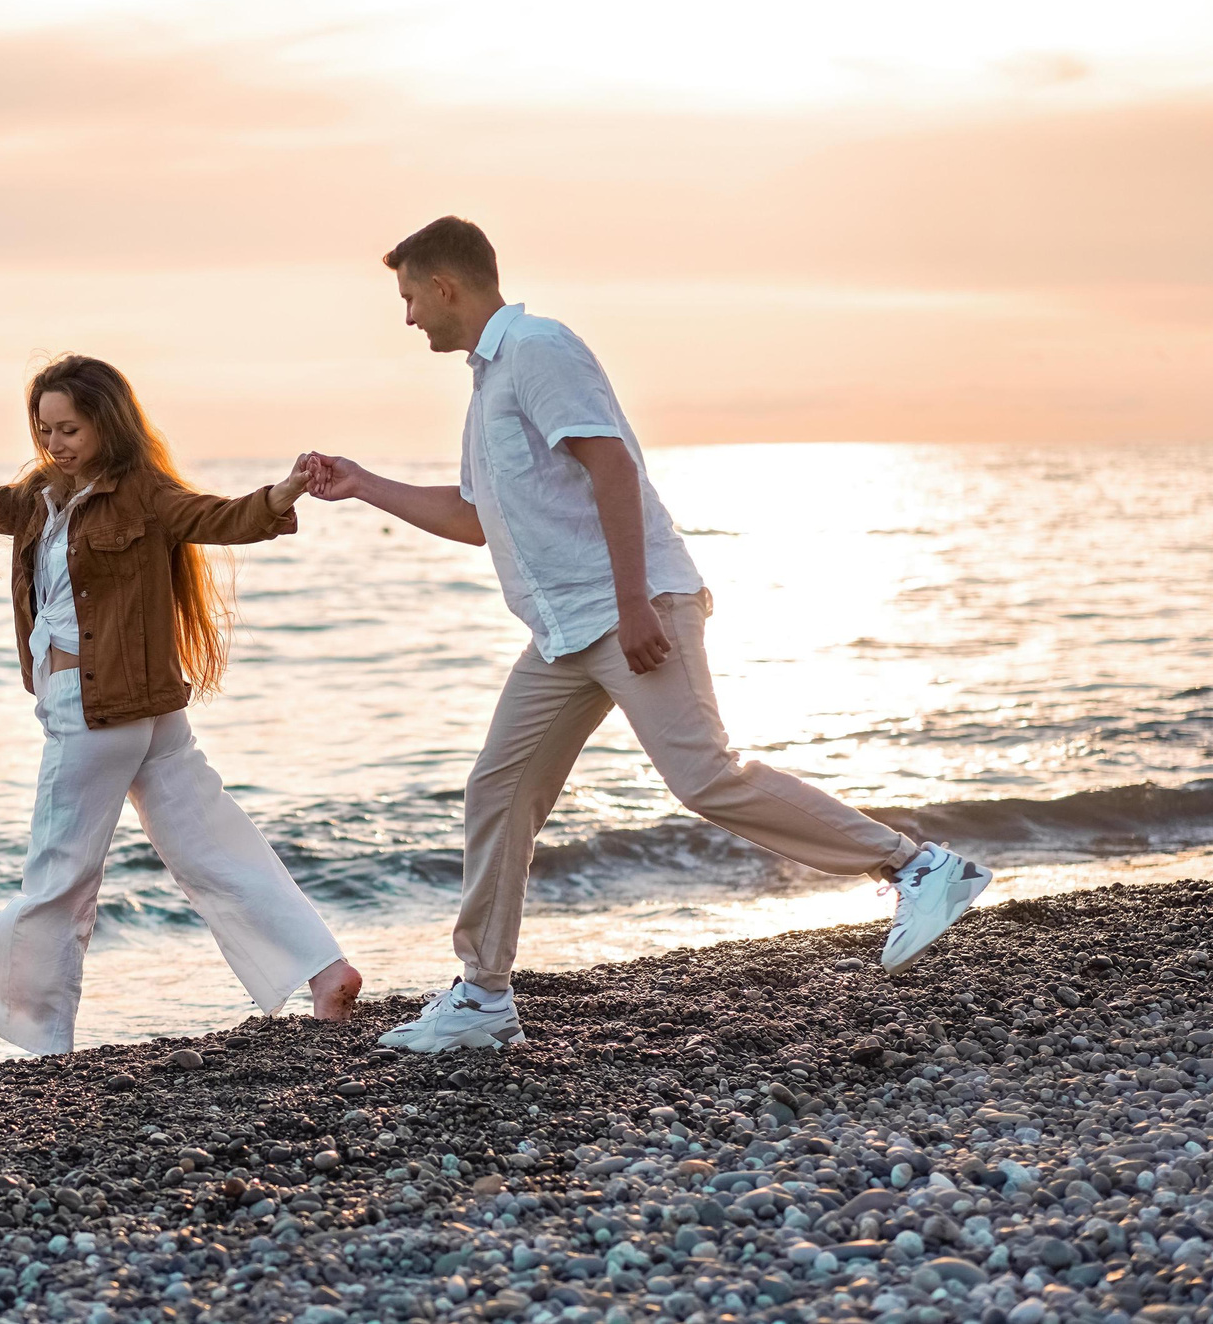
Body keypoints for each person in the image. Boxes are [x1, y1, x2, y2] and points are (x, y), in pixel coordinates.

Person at [303, 216, 988, 1055]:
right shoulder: (488, 386)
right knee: (499, 790)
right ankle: (483, 996)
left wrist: (634, 604)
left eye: (410, 297)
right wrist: (362, 484)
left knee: (703, 776)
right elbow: (473, 518)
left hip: (631, 607)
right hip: (562, 633)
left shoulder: (541, 349)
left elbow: (613, 465)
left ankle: (917, 867)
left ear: (446, 286)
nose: (407, 317)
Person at [0, 354, 362, 1054]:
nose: (56, 443)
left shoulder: (142, 494)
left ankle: (41, 1038)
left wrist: (281, 494)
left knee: (58, 874)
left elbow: (217, 516)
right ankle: (323, 970)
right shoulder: (39, 497)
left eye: (69, 428)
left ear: (106, 422)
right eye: (44, 430)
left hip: (94, 711)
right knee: (212, 847)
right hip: (149, 714)